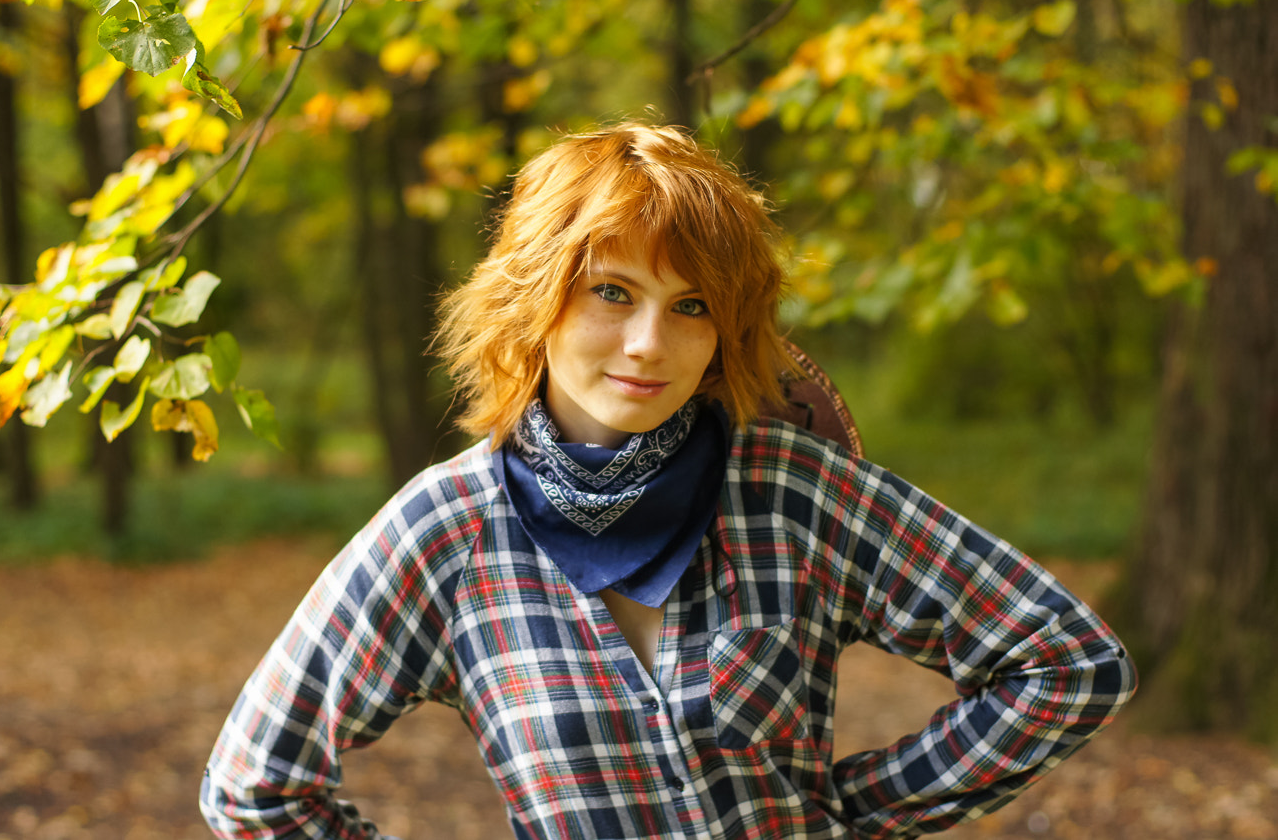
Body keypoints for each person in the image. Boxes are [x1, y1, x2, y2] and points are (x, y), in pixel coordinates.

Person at [200, 123, 1136, 840]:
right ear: (537, 297)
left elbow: (1067, 664)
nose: (651, 344)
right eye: (614, 292)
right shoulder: (445, 532)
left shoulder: (791, 492)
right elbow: (255, 784)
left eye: (690, 308)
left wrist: (854, 816)